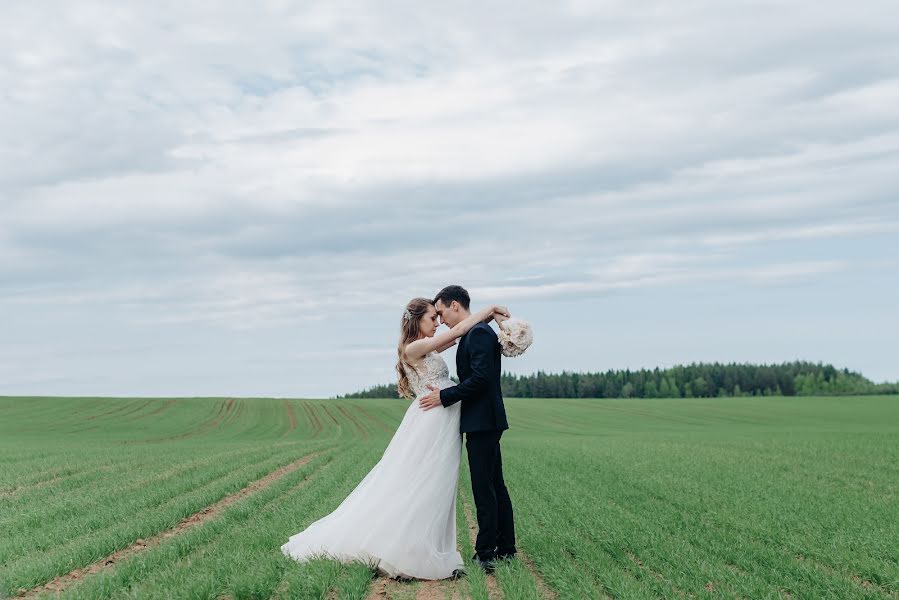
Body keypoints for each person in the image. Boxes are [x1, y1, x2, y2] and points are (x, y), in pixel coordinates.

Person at [280, 296, 509, 580]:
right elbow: (460, 331)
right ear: (416, 321)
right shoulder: (415, 346)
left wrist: (491, 321)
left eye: (438, 318)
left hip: (444, 417)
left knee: (436, 484)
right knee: (420, 482)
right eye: (431, 318)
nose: (437, 322)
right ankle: (405, 550)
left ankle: (425, 544)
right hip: (433, 418)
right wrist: (491, 310)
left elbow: (461, 332)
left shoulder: (429, 345)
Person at [419, 285, 517, 573]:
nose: (441, 320)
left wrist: (444, 397)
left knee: (484, 488)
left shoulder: (478, 335)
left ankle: (486, 553)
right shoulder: (475, 331)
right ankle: (506, 548)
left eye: (441, 313)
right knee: (495, 485)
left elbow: (481, 380)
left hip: (482, 421)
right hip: (483, 420)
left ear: (454, 306)